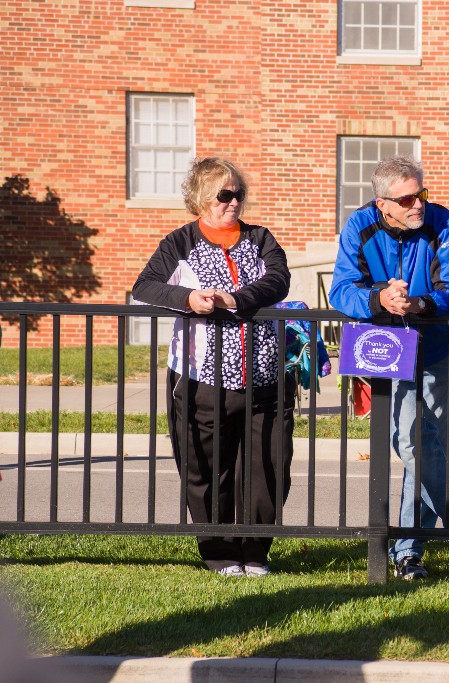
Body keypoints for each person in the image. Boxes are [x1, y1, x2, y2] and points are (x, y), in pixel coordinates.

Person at [131, 157, 294, 577]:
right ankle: (220, 554)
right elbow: (145, 287)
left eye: (239, 193)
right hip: (203, 379)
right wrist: (189, 298)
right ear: (203, 197)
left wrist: (234, 299)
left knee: (268, 466)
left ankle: (255, 554)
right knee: (206, 468)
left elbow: (278, 280)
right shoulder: (179, 242)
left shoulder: (260, 238)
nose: (234, 202)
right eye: (225, 195)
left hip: (265, 378)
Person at [329, 156, 449, 580]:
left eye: (422, 193)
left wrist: (418, 303)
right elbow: (342, 289)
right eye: (408, 198)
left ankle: (408, 551)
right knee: (413, 442)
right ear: (383, 204)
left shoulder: (444, 223)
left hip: (432, 346)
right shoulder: (360, 226)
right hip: (384, 348)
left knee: (421, 443)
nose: (419, 204)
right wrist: (380, 299)